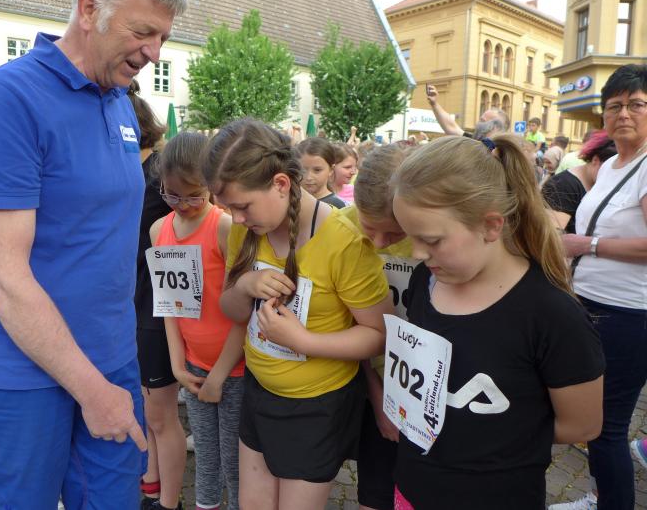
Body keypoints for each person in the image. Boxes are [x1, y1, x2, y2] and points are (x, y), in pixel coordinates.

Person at [0, 0, 187, 507]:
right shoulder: (7, 100)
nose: (154, 53)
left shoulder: (119, 101)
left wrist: (111, 373)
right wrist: (92, 390)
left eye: (164, 39)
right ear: (88, 9)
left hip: (111, 360)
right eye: (143, 32)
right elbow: (3, 279)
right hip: (21, 377)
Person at [390, 135, 604, 509]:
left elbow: (582, 425)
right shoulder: (426, 280)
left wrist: (488, 437)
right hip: (412, 485)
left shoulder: (552, 314)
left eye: (432, 240)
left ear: (491, 226)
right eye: (410, 237)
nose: (418, 254)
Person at [203, 118, 391, 509]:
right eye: (229, 208)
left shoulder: (343, 242)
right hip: (259, 390)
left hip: (316, 406)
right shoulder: (245, 230)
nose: (236, 218)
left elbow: (378, 334)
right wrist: (246, 285)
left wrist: (304, 341)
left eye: (242, 206)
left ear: (280, 184)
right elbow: (231, 310)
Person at [552, 64, 647, 510]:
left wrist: (586, 244)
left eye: (636, 104)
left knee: (606, 427)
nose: (623, 113)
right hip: (592, 303)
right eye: (614, 105)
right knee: (593, 421)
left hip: (628, 314)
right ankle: (600, 495)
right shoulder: (609, 164)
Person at [152, 132, 245, 510]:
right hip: (193, 366)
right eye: (172, 195)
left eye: (195, 196)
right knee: (206, 456)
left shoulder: (225, 227)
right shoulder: (159, 231)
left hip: (234, 368)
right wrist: (178, 365)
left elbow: (242, 311)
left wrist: (221, 373)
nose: (184, 205)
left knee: (235, 464)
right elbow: (169, 306)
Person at [348, 141, 416, 510]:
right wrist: (378, 397)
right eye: (369, 227)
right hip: (369, 376)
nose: (378, 243)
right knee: (375, 486)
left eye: (394, 234)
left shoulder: (432, 235)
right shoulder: (340, 226)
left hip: (422, 383)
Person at [127, 81, 185, 510]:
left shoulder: (160, 172)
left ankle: (168, 501)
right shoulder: (128, 169)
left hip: (157, 303)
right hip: (131, 299)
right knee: (146, 406)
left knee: (161, 413)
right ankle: (151, 478)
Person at [542, 131, 616, 235]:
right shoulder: (562, 185)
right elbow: (553, 234)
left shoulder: (600, 185)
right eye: (613, 169)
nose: (615, 176)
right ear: (595, 160)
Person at [425, 83, 510, 137]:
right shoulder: (473, 141)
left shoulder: (505, 154)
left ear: (497, 128)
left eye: (483, 121)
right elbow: (451, 127)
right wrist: (434, 104)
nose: (479, 124)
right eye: (481, 120)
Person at [295, 137, 346, 208]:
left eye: (317, 170)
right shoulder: (290, 201)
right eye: (302, 170)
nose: (308, 177)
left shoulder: (336, 206)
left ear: (331, 170)